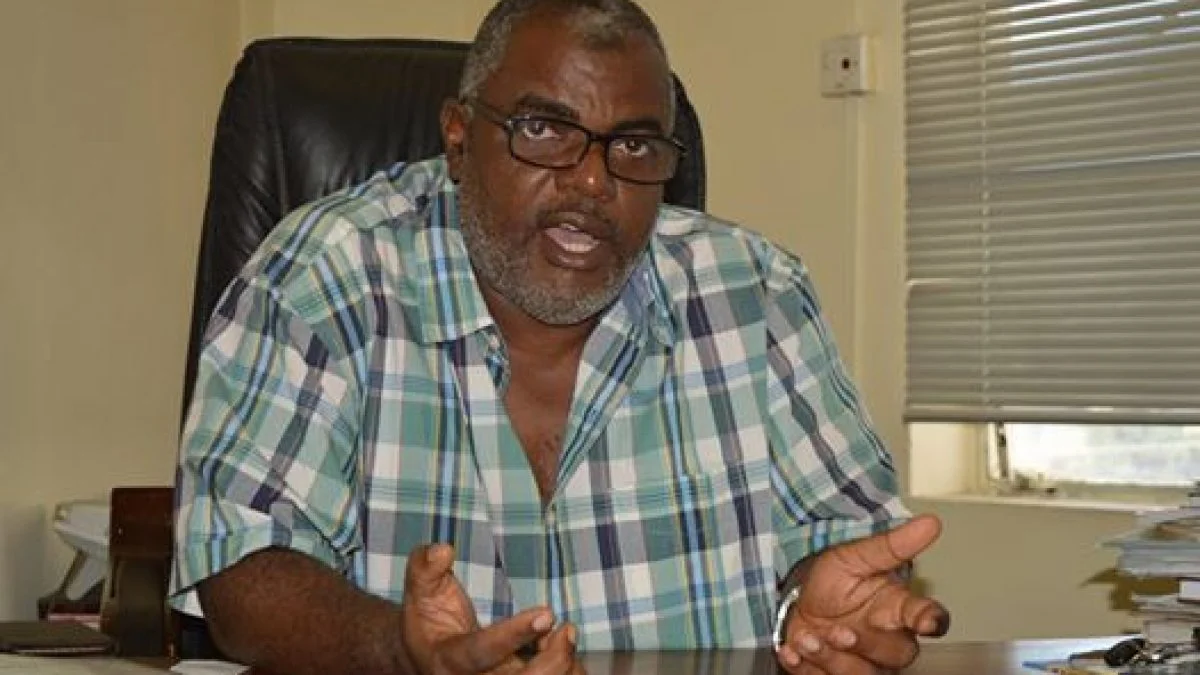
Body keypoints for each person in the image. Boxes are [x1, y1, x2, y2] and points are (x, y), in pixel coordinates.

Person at [170, 0, 950, 673]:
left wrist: (820, 607)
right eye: (545, 129)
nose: (592, 182)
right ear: (457, 137)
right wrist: (401, 650)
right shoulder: (326, 278)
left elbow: (841, 543)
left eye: (633, 145)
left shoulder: (757, 294)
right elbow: (242, 568)